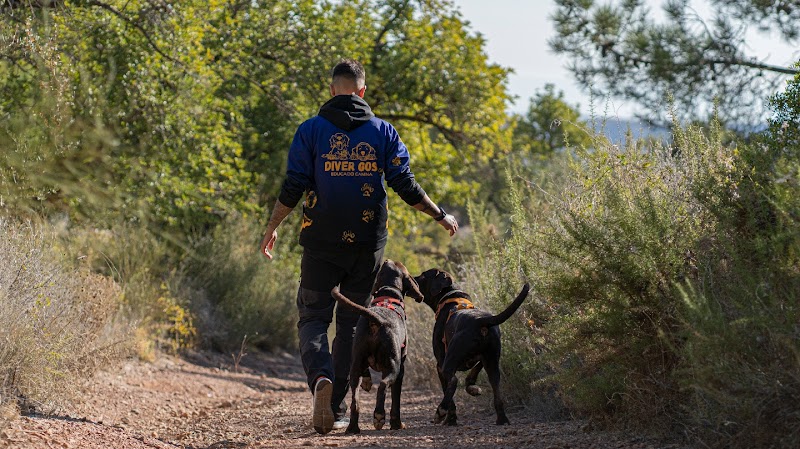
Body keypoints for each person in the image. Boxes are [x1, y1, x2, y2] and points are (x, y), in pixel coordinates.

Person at [259, 58, 458, 435]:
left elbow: (293, 185)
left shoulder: (310, 130)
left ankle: (320, 380)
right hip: (367, 245)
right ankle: (334, 409)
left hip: (320, 241)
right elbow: (405, 184)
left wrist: (273, 227)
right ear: (362, 91)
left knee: (314, 317)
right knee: (350, 325)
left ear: (332, 89)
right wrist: (440, 215)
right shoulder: (384, 131)